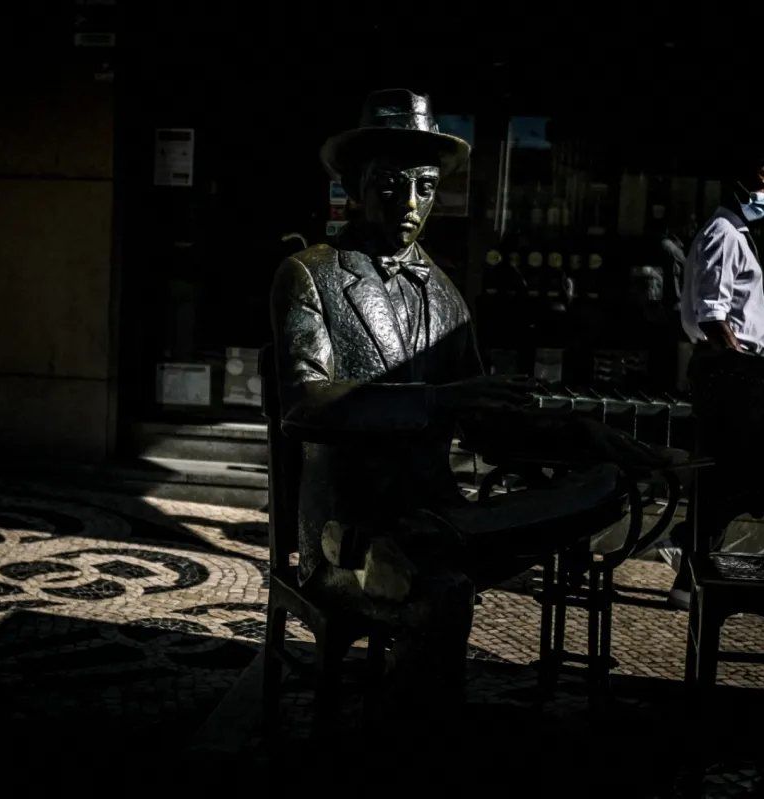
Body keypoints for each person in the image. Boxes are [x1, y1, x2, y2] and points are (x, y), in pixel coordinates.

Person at [270, 89, 669, 709]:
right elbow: (304, 404)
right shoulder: (310, 274)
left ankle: (442, 531)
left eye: (425, 187)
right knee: (444, 590)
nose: (409, 204)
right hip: (346, 541)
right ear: (353, 182)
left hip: (435, 515)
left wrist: (576, 437)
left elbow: (486, 428)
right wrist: (436, 399)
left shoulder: (447, 298)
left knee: (603, 483)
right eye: (390, 184)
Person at [664, 157, 764, 608]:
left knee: (728, 476)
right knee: (727, 475)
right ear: (736, 186)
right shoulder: (723, 234)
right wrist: (738, 369)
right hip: (730, 371)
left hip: (737, 371)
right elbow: (713, 314)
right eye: (760, 184)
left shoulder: (734, 234)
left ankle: (688, 573)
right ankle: (684, 553)